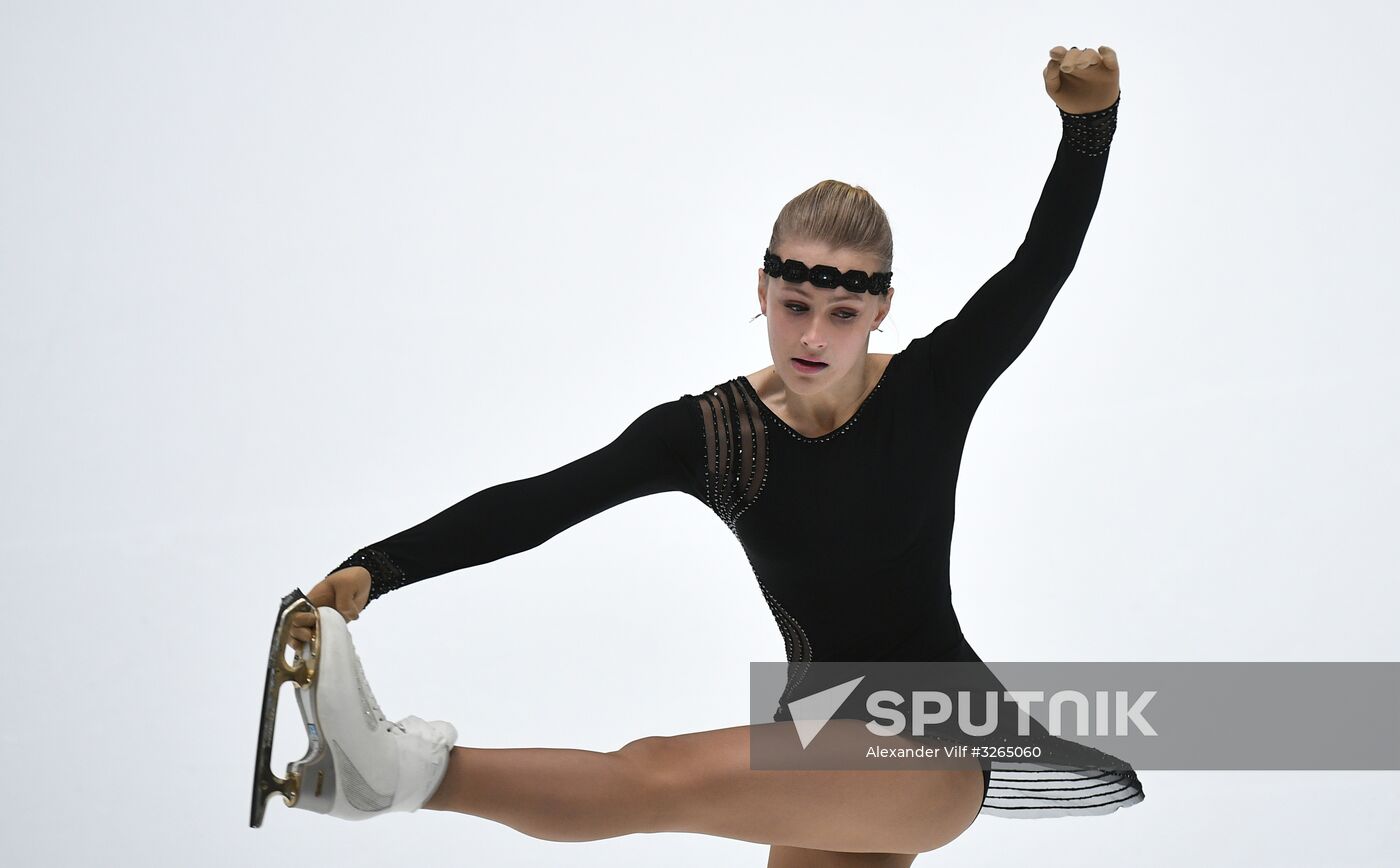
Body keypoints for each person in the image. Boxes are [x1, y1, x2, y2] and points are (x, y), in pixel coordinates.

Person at [287, 45, 1141, 865]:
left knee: (653, 773)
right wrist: (379, 568)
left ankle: (399, 775)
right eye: (794, 303)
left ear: (881, 310)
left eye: (842, 315)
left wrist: (1089, 126)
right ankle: (387, 774)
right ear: (761, 289)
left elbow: (1041, 265)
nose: (812, 335)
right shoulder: (708, 435)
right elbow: (545, 502)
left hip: (937, 747)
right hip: (821, 746)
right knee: (656, 775)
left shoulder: (932, 385)